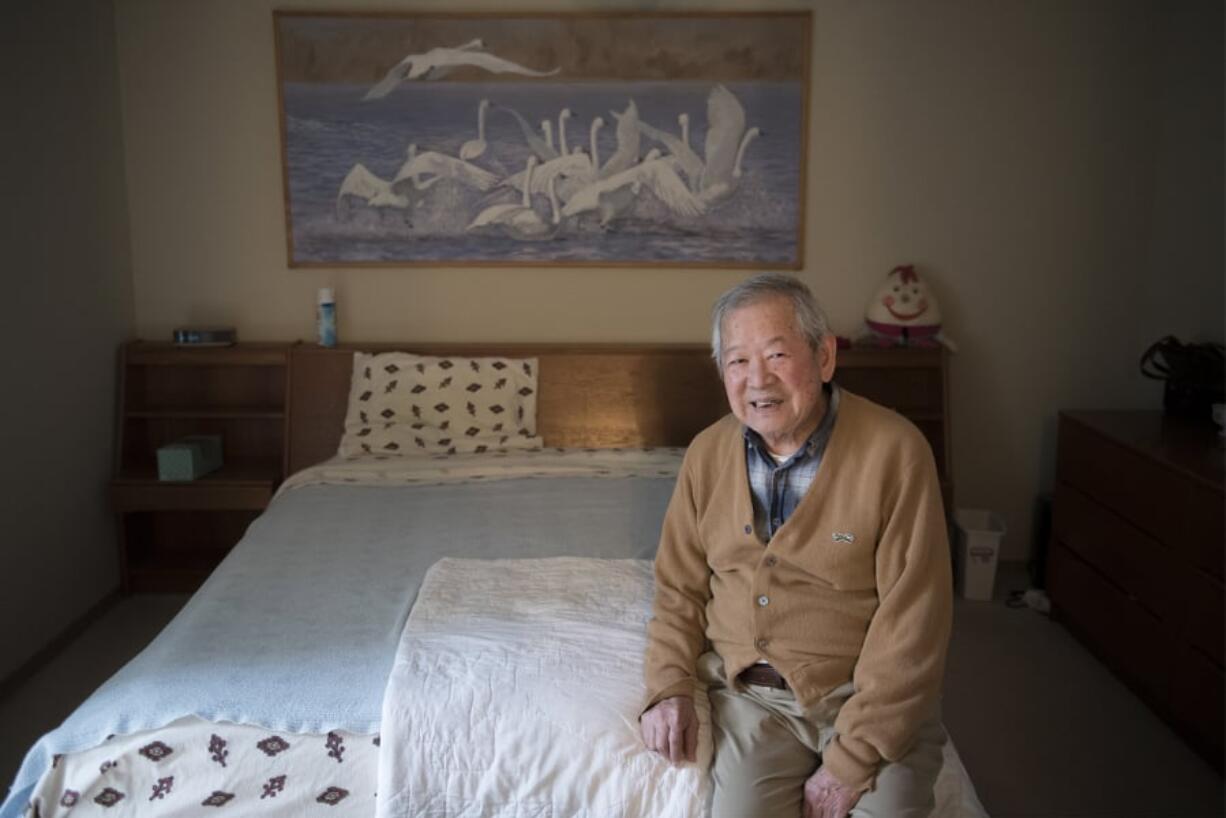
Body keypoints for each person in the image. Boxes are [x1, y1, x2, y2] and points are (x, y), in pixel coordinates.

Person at [640, 273, 952, 818]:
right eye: (737, 361)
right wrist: (668, 686)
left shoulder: (896, 451)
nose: (757, 379)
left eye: (777, 354)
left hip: (865, 695)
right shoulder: (706, 455)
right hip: (753, 701)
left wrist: (852, 759)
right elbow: (678, 590)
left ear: (825, 356)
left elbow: (915, 618)